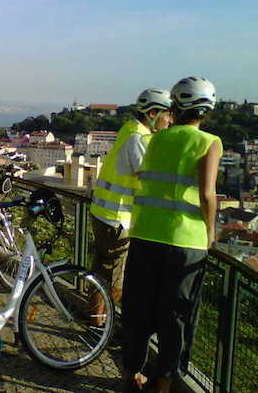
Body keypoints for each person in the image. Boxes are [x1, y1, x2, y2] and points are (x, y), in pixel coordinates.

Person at [122, 77, 222, 393]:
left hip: (144, 235)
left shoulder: (156, 140)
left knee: (138, 311)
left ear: (176, 106)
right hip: (185, 242)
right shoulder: (209, 142)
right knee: (175, 317)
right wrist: (211, 231)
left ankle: (130, 377)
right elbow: (208, 194)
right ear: (207, 110)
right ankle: (163, 385)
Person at [89, 88, 173, 323]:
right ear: (153, 113)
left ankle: (96, 320)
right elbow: (149, 179)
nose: (170, 121)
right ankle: (101, 325)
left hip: (105, 213)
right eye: (167, 115)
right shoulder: (139, 137)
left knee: (101, 271)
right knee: (114, 277)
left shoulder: (129, 129)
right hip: (117, 218)